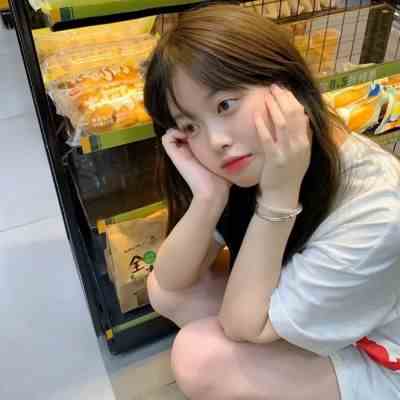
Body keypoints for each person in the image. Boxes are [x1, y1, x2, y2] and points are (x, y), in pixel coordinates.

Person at [143, 3, 400, 399]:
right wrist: (209, 198)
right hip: (333, 311)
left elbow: (242, 325)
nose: (216, 141)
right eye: (190, 126)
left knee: (199, 359)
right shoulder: (254, 157)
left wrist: (278, 197)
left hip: (382, 355)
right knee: (169, 288)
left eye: (225, 105)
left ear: (286, 84)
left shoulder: (376, 208)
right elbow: (169, 280)